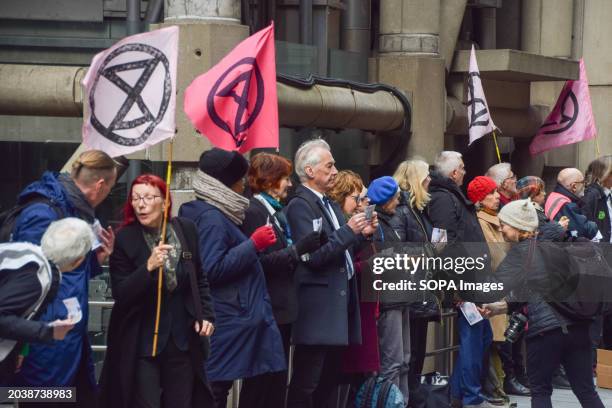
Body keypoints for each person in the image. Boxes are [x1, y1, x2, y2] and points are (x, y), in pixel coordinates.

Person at [179, 148, 285, 408]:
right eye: (239, 180)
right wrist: (253, 244)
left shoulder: (207, 211)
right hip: (225, 319)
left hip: (224, 318)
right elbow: (212, 269)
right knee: (215, 390)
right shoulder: (212, 218)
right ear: (226, 183)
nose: (244, 185)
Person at [98, 174, 215, 408]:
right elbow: (121, 293)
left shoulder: (185, 230)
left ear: (165, 201)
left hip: (181, 339)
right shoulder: (124, 238)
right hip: (142, 339)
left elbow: (198, 277)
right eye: (136, 198)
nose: (141, 204)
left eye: (149, 197)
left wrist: (206, 316)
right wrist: (148, 267)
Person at [475, 199, 605, 408]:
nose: (502, 231)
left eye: (504, 226)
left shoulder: (522, 252)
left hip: (546, 333)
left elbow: (494, 287)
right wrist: (503, 308)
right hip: (578, 328)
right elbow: (540, 290)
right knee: (586, 391)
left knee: (541, 391)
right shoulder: (555, 244)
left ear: (518, 226)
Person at [10, 150, 117, 406]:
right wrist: (27, 344)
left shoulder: (72, 209)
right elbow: (28, 284)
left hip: (69, 340)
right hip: (45, 344)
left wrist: (95, 260)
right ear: (100, 185)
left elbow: (68, 272)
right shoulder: (43, 213)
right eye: (110, 189)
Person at [285, 139, 376, 408]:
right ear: (310, 171)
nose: (335, 170)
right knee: (307, 381)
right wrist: (350, 230)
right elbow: (313, 256)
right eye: (330, 165)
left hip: (339, 305)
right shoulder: (300, 205)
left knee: (331, 379)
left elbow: (341, 249)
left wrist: (361, 234)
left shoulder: (328, 203)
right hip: (317, 309)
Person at [240, 153, 323, 408]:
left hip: (281, 311)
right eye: (285, 178)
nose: (289, 184)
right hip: (268, 312)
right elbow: (260, 261)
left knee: (276, 383)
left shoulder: (275, 212)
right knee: (262, 385)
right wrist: (298, 249)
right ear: (269, 181)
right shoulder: (255, 211)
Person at [427, 151, 494, 408]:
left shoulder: (451, 196)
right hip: (463, 278)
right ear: (454, 173)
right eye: (463, 168)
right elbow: (444, 242)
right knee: (474, 336)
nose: (465, 172)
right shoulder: (444, 198)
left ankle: (459, 393)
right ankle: (470, 396)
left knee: (481, 336)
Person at [0, 218, 94, 384]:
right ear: (78, 261)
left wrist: (20, 348)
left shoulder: (25, 252)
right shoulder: (37, 276)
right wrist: (48, 332)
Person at [467, 176, 530, 399]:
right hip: (494, 288)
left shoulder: (499, 219)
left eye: (496, 192)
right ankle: (497, 389)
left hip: (507, 288)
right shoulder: (480, 222)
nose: (496, 197)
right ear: (479, 199)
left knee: (504, 340)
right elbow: (493, 257)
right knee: (494, 343)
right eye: (490, 194)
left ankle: (501, 386)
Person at [391, 159, 441, 407]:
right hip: (409, 293)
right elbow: (395, 248)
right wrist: (427, 251)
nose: (430, 180)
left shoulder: (418, 210)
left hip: (421, 291)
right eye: (426, 177)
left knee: (417, 355)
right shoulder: (401, 210)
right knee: (408, 357)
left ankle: (413, 399)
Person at [368, 176, 413, 405]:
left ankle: (401, 402)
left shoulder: (389, 221)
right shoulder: (377, 226)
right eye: (395, 198)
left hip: (400, 295)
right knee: (392, 361)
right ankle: (390, 402)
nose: (398, 202)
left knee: (404, 359)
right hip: (388, 300)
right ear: (386, 201)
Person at [544, 168, 599, 240]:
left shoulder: (554, 195)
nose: (585, 185)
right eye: (583, 182)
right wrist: (594, 225)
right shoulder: (565, 205)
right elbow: (584, 230)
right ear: (574, 186)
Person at [581, 156, 612, 243]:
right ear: (603, 174)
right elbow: (586, 225)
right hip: (601, 250)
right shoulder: (591, 195)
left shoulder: (608, 193)